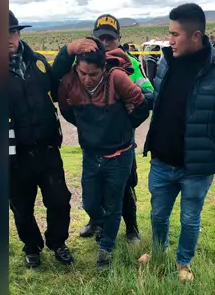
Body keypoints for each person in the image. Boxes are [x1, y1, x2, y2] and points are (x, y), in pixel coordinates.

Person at [141, 3, 215, 282]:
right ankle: (158, 250)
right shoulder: (166, 63)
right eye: (169, 33)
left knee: (190, 218)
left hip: (197, 166)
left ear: (195, 36)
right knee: (158, 214)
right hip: (162, 161)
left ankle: (184, 263)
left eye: (175, 34)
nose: (170, 40)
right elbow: (162, 102)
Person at [57, 14, 155, 245]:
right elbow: (64, 90)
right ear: (93, 38)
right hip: (93, 139)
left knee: (124, 185)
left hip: (121, 140)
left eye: (110, 38)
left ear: (119, 39)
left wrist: (125, 120)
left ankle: (131, 228)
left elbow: (148, 94)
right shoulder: (80, 64)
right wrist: (86, 124)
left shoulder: (129, 64)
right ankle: (97, 222)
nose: (106, 43)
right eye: (101, 38)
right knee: (95, 184)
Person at [8, 10, 74, 268]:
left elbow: (59, 92)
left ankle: (58, 242)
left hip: (47, 149)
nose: (7, 38)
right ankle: (32, 246)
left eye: (11, 32)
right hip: (13, 155)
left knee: (60, 200)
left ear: (18, 33)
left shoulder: (37, 62)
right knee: (22, 207)